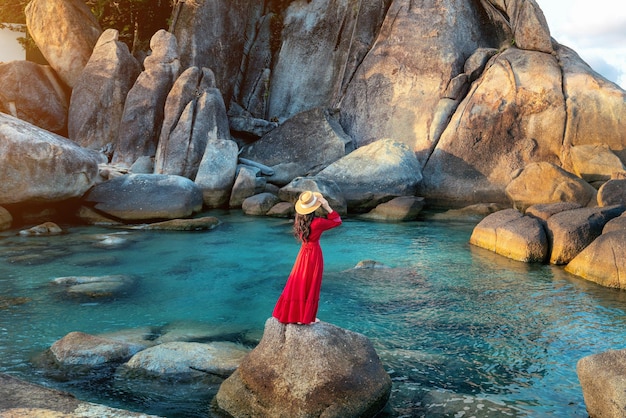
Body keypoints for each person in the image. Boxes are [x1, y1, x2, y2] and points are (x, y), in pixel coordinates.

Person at [272, 190, 342, 325]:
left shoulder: (299, 222)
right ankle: (306, 317)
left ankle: (295, 315)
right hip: (314, 254)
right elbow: (337, 221)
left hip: (302, 254)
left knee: (298, 282)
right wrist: (326, 206)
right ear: (314, 208)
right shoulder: (318, 223)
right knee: (312, 284)